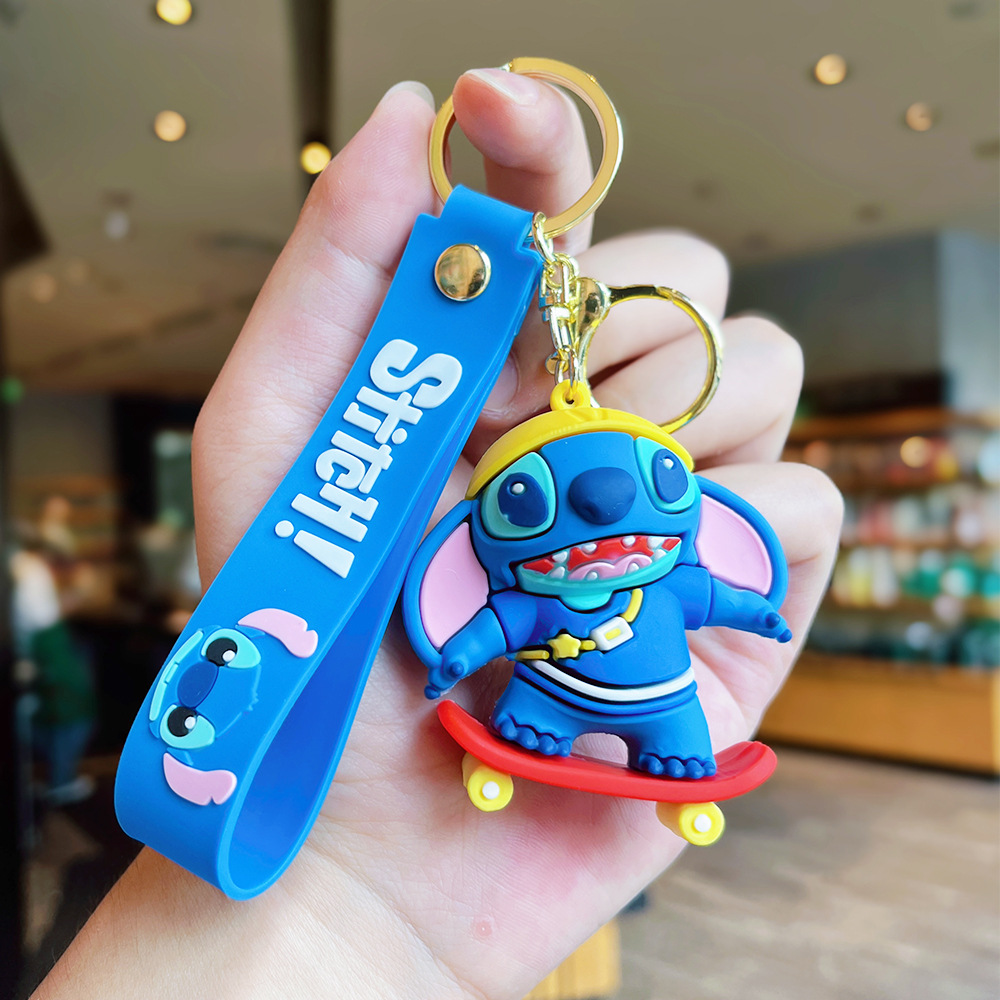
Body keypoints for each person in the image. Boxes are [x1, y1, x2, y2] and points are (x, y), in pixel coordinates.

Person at [33, 69, 842, 999]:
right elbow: (493, 626)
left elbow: (707, 594)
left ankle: (655, 741)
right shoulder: (497, 586)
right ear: (464, 545)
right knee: (535, 715)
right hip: (510, 718)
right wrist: (350, 887)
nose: (603, 506)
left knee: (662, 723)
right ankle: (546, 732)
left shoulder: (668, 575)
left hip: (657, 704)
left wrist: (754, 612)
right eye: (530, 502)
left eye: (660, 485)